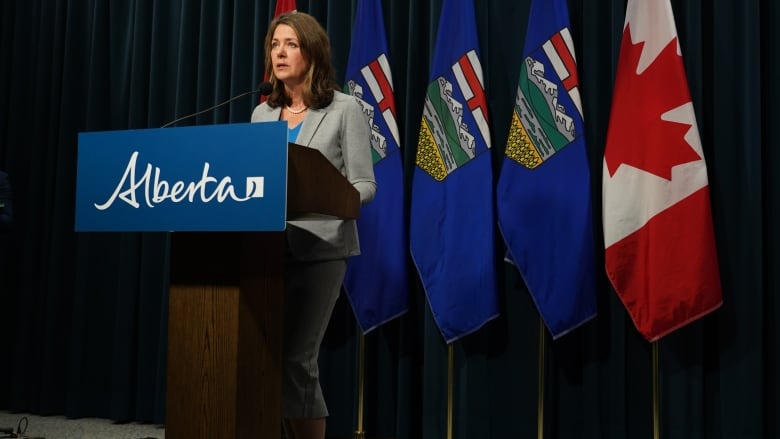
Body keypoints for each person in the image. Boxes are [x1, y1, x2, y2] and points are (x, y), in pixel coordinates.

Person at [250, 11, 376, 439]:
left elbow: (365, 185)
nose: (279, 53)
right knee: (265, 356)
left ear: (312, 51)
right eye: (274, 44)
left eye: (290, 44)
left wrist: (330, 196)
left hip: (322, 251)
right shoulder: (261, 115)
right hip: (267, 249)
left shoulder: (344, 110)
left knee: (296, 359)